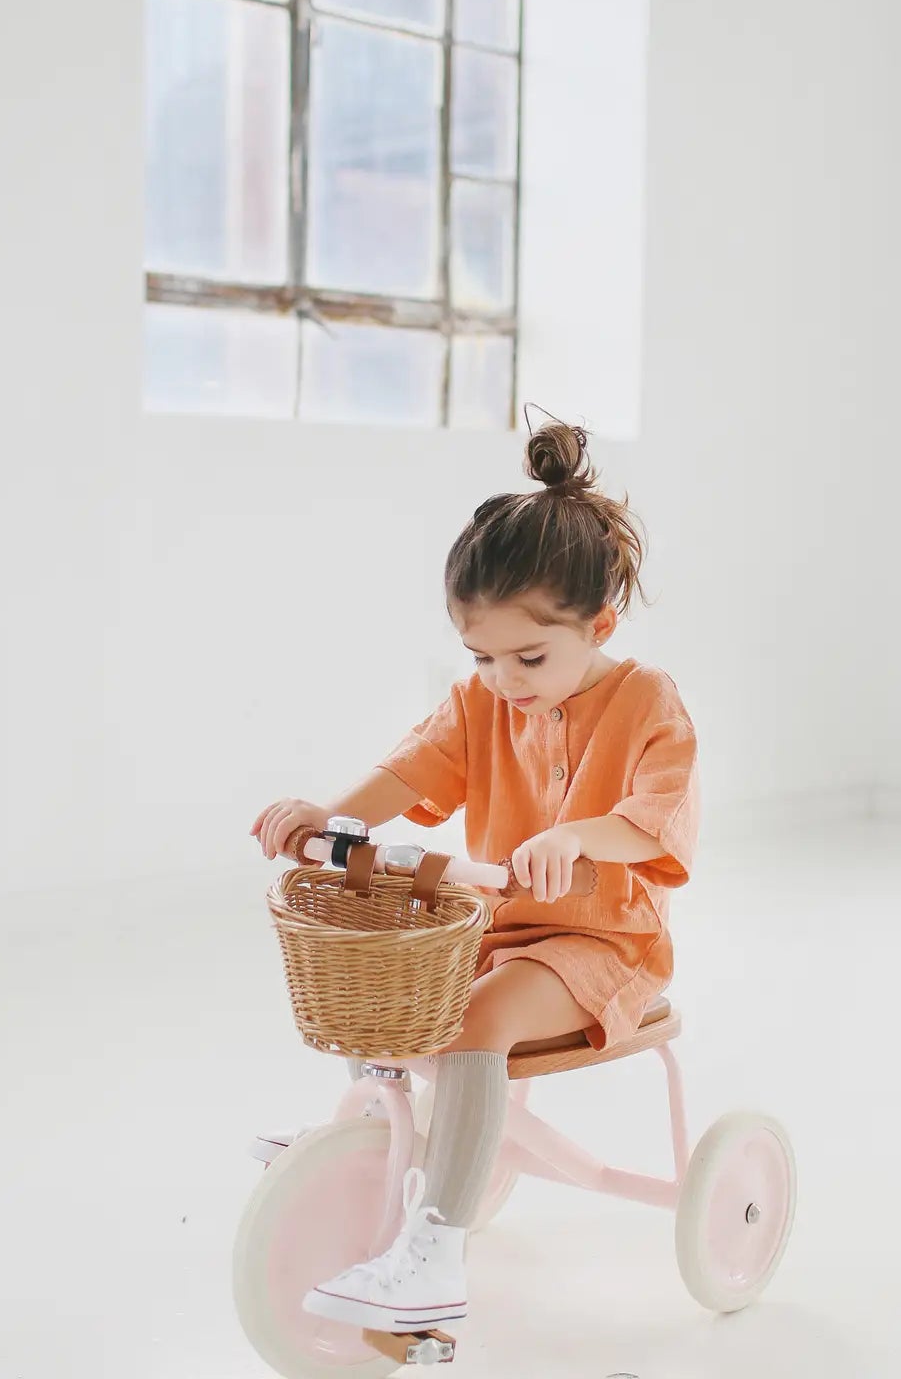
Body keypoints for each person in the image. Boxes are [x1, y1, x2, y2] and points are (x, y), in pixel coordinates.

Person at [250, 417, 700, 1332]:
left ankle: (436, 1248)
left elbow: (653, 818)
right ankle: (377, 1140)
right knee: (385, 982)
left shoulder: (646, 700)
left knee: (481, 1017)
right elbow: (415, 769)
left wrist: (578, 838)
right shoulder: (481, 700)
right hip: (497, 926)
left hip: (601, 941)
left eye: (529, 657)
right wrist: (331, 819)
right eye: (482, 657)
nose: (503, 679)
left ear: (600, 624)